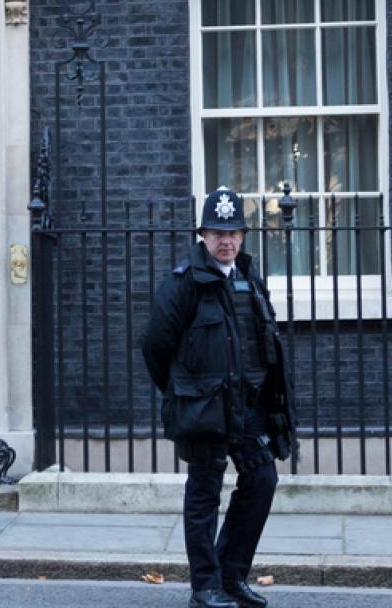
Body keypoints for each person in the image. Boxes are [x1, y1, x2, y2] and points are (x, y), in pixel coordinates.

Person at [141, 186, 297, 608]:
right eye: (216, 233)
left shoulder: (248, 276)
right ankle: (204, 587)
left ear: (243, 236)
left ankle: (231, 577)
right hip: (206, 407)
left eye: (232, 233)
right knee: (204, 493)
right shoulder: (184, 283)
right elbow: (156, 345)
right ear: (202, 236)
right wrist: (184, 393)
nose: (225, 241)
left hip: (249, 407)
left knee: (262, 480)